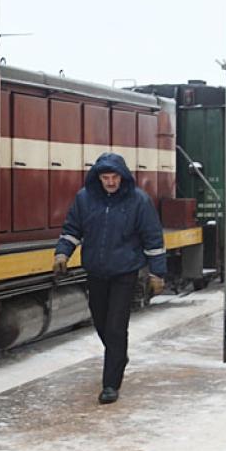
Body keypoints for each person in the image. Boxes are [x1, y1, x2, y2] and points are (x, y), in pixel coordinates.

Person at [53, 152, 166, 405]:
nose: (111, 182)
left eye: (115, 177)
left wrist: (157, 273)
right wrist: (62, 254)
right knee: (101, 322)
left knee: (115, 326)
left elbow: (153, 238)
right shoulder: (85, 199)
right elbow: (72, 229)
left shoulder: (138, 201)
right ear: (98, 178)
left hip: (124, 272)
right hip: (96, 271)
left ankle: (111, 384)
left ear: (122, 177)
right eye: (106, 178)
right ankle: (118, 354)